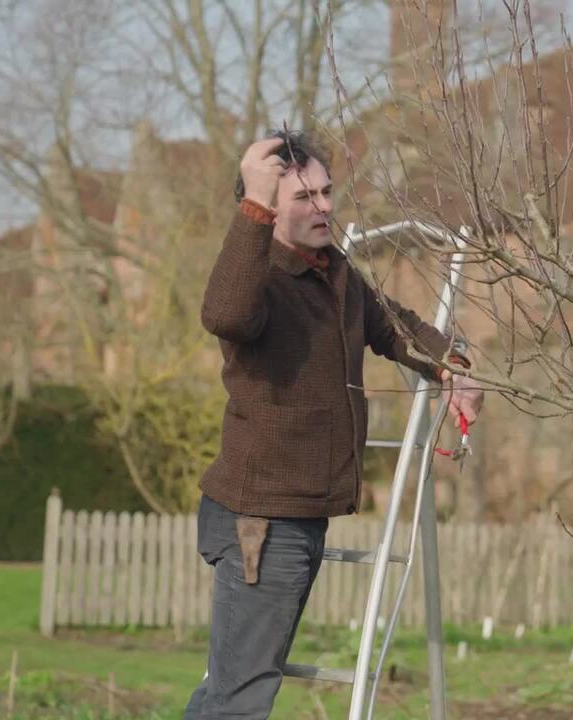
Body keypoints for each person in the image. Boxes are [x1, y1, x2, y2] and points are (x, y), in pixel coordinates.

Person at [184, 129, 484, 719]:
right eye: (303, 197)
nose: (323, 206)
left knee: (233, 690)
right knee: (239, 700)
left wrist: (454, 366)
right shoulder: (257, 275)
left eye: (326, 191)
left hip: (297, 516)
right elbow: (224, 314)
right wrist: (254, 201)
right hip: (261, 522)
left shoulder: (334, 273)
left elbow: (391, 324)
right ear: (267, 207)